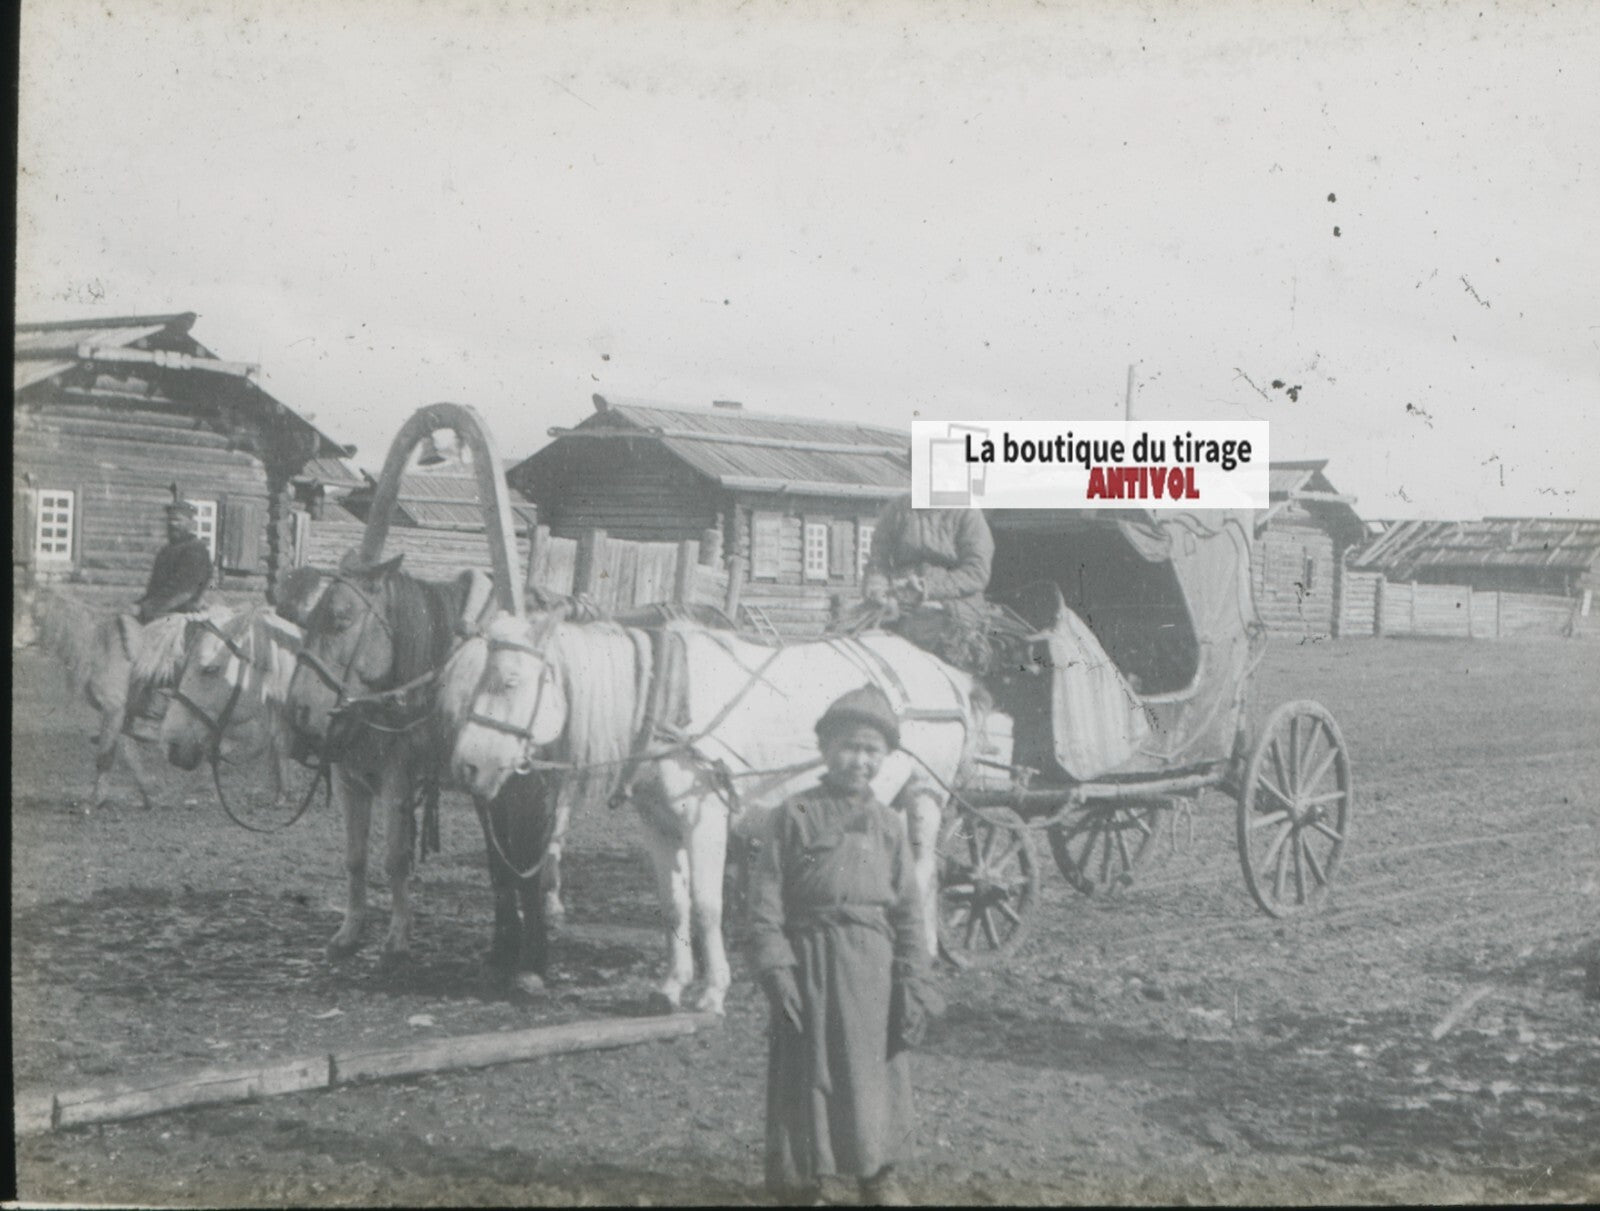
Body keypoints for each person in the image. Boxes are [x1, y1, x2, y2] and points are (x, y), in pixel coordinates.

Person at [747, 685, 942, 1207]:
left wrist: (914, 980)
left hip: (872, 968)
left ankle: (878, 1174)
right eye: (850, 747)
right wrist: (776, 970)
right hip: (808, 958)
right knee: (808, 1068)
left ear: (885, 759)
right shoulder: (792, 815)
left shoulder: (889, 827)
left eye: (872, 751)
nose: (860, 760)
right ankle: (812, 1179)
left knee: (874, 1069)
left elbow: (907, 913)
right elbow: (765, 904)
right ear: (826, 750)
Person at [861, 494, 995, 672]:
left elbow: (976, 571)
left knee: (927, 632)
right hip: (899, 598)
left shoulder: (967, 512)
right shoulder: (898, 508)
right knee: (855, 641)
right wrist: (878, 589)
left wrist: (927, 588)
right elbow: (878, 561)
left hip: (953, 601)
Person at [135, 499, 212, 624]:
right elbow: (156, 590)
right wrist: (139, 604)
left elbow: (183, 591)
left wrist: (146, 608)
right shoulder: (166, 550)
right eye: (170, 520)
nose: (172, 524)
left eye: (178, 520)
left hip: (182, 615)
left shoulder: (195, 549)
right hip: (161, 611)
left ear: (190, 523)